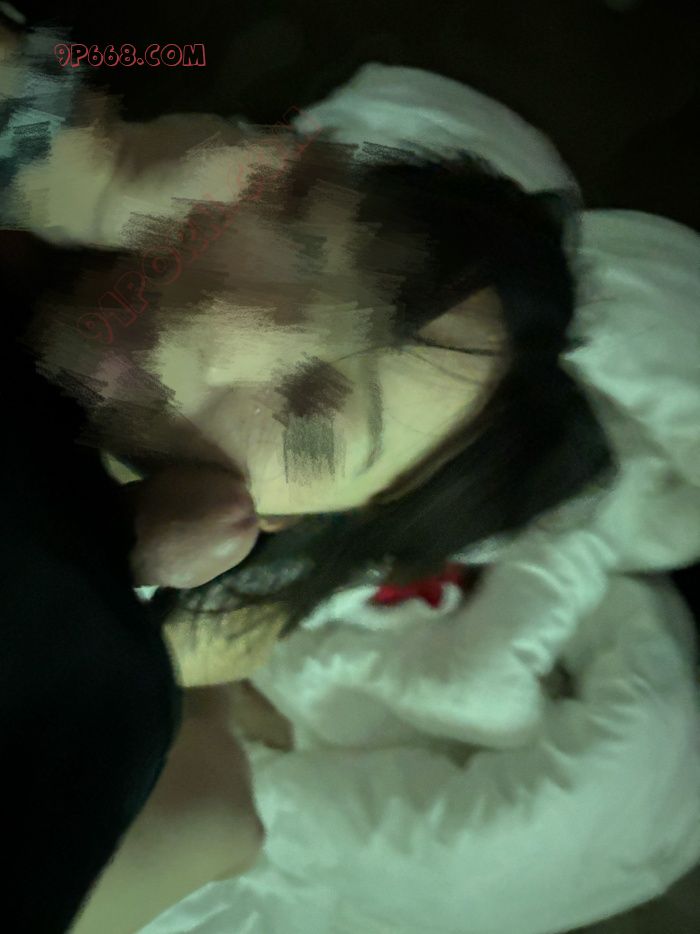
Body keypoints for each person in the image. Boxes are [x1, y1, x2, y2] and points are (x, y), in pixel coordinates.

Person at [3, 15, 700, 934]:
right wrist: (85, 164)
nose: (229, 323)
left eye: (308, 419)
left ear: (286, 516)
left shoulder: (116, 664)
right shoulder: (39, 154)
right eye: (296, 249)